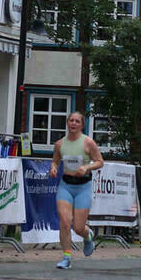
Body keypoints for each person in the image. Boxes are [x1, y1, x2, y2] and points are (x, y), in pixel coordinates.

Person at [48, 111, 104, 269]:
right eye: (71, 120)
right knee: (65, 222)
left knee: (78, 227)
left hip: (83, 187)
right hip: (65, 186)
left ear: (82, 125)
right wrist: (53, 168)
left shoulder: (88, 142)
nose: (73, 123)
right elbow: (55, 161)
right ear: (67, 123)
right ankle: (66, 257)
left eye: (77, 121)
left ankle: (88, 235)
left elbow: (100, 161)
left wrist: (86, 167)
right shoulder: (60, 144)